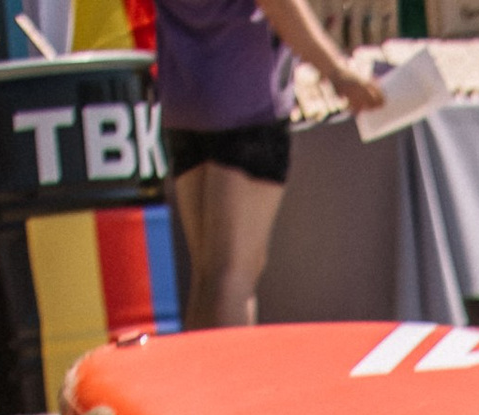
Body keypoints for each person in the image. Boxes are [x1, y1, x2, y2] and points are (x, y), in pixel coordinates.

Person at [153, 0, 374, 329]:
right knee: (233, 276)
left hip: (184, 98)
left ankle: (201, 379)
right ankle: (231, 380)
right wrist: (337, 71)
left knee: (209, 276)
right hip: (245, 96)